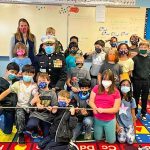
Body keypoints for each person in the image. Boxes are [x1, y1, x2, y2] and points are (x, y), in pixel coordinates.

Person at [0, 64, 38, 144]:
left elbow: (35, 94)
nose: (27, 75)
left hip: (31, 108)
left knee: (32, 123)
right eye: (26, 74)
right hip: (19, 107)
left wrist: (37, 100)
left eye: (30, 74)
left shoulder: (34, 85)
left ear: (33, 75)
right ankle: (20, 134)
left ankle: (34, 129)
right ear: (22, 74)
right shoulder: (17, 84)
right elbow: (6, 92)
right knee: (20, 117)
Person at [89, 69, 121, 143]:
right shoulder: (96, 88)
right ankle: (103, 132)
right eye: (104, 79)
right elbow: (91, 101)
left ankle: (108, 132)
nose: (106, 81)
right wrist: (95, 108)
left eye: (108, 80)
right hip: (98, 119)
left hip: (110, 120)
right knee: (97, 138)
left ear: (112, 80)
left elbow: (116, 109)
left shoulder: (116, 92)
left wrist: (103, 110)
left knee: (111, 141)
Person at [26, 72, 58, 138]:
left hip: (46, 117)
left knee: (46, 135)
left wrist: (51, 109)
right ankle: (36, 130)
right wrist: (33, 102)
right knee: (30, 125)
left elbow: (55, 107)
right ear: (37, 83)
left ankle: (41, 126)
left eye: (43, 81)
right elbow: (29, 107)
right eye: (39, 81)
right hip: (35, 115)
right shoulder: (35, 91)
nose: (41, 82)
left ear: (48, 81)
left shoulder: (52, 93)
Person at [132, 41, 150, 120]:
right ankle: (135, 113)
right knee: (135, 97)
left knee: (145, 98)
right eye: (141, 47)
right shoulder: (135, 58)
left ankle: (143, 113)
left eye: (145, 47)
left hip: (146, 81)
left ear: (148, 48)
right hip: (137, 81)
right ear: (139, 48)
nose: (143, 49)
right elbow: (132, 70)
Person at [0, 62, 19, 134]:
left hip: (13, 108)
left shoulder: (17, 81)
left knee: (8, 131)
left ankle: (9, 122)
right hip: (3, 107)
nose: (13, 74)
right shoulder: (0, 81)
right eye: (12, 72)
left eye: (15, 73)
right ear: (6, 70)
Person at [116, 79, 136, 144]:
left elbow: (133, 114)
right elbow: (113, 114)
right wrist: (117, 126)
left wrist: (134, 126)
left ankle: (129, 130)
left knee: (130, 141)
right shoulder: (116, 99)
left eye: (127, 85)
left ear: (130, 87)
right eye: (123, 85)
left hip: (129, 124)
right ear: (120, 87)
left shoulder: (132, 100)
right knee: (121, 140)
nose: (125, 87)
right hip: (120, 123)